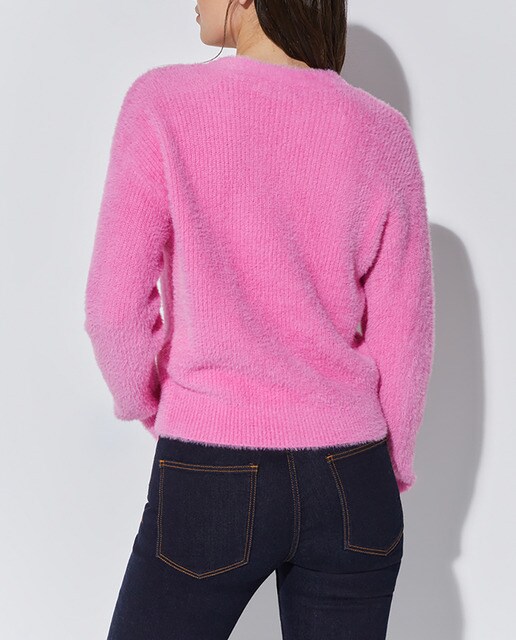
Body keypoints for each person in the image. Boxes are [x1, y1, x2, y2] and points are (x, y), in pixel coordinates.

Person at [83, 0, 435, 638]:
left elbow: (114, 309)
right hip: (352, 475)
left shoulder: (164, 104)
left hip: (211, 465)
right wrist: (388, 468)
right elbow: (404, 338)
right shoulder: (383, 133)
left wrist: (160, 407)